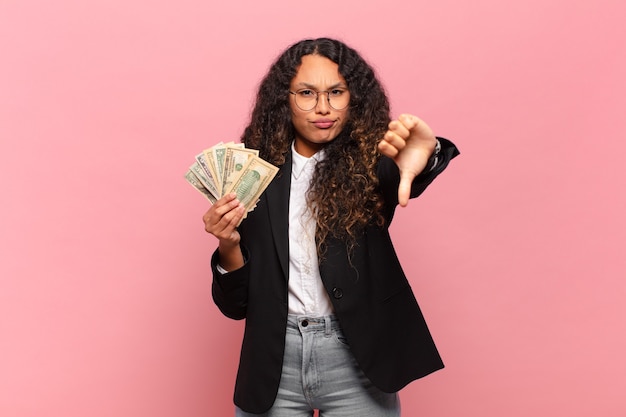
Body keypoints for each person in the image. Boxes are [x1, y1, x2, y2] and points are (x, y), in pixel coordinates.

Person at [202, 38, 459, 416]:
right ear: (284, 98)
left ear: (353, 97)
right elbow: (235, 307)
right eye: (307, 93)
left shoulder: (374, 160)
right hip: (275, 362)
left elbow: (405, 172)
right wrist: (228, 244)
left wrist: (427, 153)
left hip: (358, 359)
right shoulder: (252, 170)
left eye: (336, 92)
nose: (323, 108)